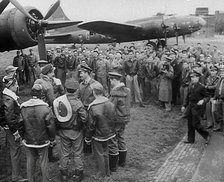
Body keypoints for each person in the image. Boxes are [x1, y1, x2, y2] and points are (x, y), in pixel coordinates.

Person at [20, 84, 56, 182]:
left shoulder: (23, 107)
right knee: (44, 162)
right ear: (41, 94)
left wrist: (23, 136)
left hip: (28, 139)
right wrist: (52, 139)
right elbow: (50, 125)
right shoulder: (45, 108)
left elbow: (20, 124)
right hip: (43, 140)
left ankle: (31, 180)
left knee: (30, 161)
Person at [53, 79, 87, 182]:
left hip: (63, 131)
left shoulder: (59, 101)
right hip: (76, 131)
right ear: (76, 90)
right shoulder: (78, 103)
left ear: (65, 89)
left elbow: (55, 116)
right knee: (77, 152)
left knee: (64, 152)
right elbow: (84, 118)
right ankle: (78, 173)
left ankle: (63, 174)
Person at [85, 82, 115, 178]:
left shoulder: (93, 107)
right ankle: (107, 172)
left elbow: (91, 125)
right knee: (106, 152)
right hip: (109, 132)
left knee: (99, 154)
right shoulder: (110, 103)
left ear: (94, 92)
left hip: (98, 135)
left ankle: (101, 174)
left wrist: (88, 138)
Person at [2, 76, 28, 182]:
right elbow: (10, 117)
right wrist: (15, 131)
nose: (17, 86)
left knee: (15, 149)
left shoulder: (7, 96)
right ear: (11, 86)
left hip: (9, 127)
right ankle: (16, 177)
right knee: (16, 150)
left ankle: (16, 175)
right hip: (12, 128)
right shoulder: (9, 98)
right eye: (16, 84)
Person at [108, 72, 131, 172]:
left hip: (116, 119)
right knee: (121, 138)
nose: (109, 82)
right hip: (124, 117)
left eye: (110, 80)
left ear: (114, 80)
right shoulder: (127, 90)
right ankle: (122, 161)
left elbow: (111, 108)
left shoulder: (115, 93)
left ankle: (113, 165)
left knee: (113, 140)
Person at [181, 70, 211, 144]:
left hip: (197, 107)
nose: (193, 79)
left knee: (195, 123)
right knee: (190, 123)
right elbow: (188, 97)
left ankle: (207, 135)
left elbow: (207, 96)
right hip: (190, 106)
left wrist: (203, 100)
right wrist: (184, 105)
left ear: (198, 78)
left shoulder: (201, 87)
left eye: (194, 77)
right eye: (191, 77)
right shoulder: (191, 85)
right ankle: (190, 139)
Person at [78, 64, 102, 153]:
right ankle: (86, 148)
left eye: (82, 73)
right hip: (83, 110)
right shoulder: (81, 84)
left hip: (92, 110)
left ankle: (93, 146)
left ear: (87, 73)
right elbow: (78, 96)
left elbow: (100, 99)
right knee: (84, 129)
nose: (80, 75)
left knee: (92, 128)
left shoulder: (96, 85)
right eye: (80, 73)